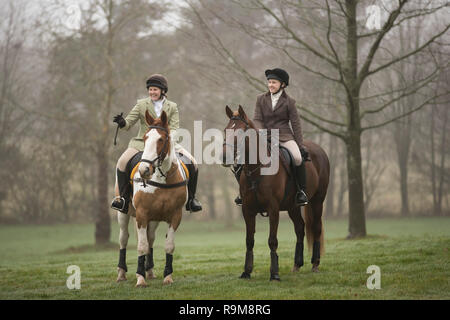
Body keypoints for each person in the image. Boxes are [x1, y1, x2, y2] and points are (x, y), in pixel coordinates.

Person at [111, 74, 202, 213]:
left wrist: (168, 141)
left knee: (193, 162)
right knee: (122, 162)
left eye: (155, 89)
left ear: (162, 91)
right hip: (142, 143)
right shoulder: (141, 104)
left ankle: (191, 200)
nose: (152, 92)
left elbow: (175, 128)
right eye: (150, 89)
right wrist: (123, 123)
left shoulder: (172, 107)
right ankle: (122, 199)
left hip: (166, 143)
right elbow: (129, 123)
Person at [234, 68, 308, 206]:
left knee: (298, 158)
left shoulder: (289, 102)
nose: (270, 85)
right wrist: (261, 134)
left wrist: (300, 144)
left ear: (283, 85)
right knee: (240, 159)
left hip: (284, 136)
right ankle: (242, 192)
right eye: (269, 82)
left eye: (274, 82)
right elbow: (257, 119)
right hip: (264, 136)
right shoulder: (260, 98)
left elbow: (295, 124)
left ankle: (301, 192)